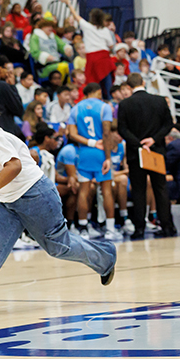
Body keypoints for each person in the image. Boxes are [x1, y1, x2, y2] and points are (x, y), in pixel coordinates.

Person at [0, 104, 117, 316]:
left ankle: (106, 256)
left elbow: (15, 167)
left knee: (58, 247)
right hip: (8, 202)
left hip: (35, 196)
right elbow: (9, 170)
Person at [116, 73, 176, 239]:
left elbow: (122, 129)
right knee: (160, 189)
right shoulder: (159, 101)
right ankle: (167, 226)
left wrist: (138, 143)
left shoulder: (125, 104)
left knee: (139, 191)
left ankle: (139, 228)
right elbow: (169, 124)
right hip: (156, 151)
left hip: (136, 154)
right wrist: (153, 140)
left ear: (129, 86)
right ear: (143, 82)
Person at [67, 82, 117, 240]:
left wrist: (90, 142)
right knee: (106, 190)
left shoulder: (75, 109)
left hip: (85, 152)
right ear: (97, 92)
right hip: (101, 152)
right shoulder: (104, 107)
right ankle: (110, 229)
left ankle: (83, 228)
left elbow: (71, 134)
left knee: (84, 191)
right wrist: (108, 157)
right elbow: (107, 133)